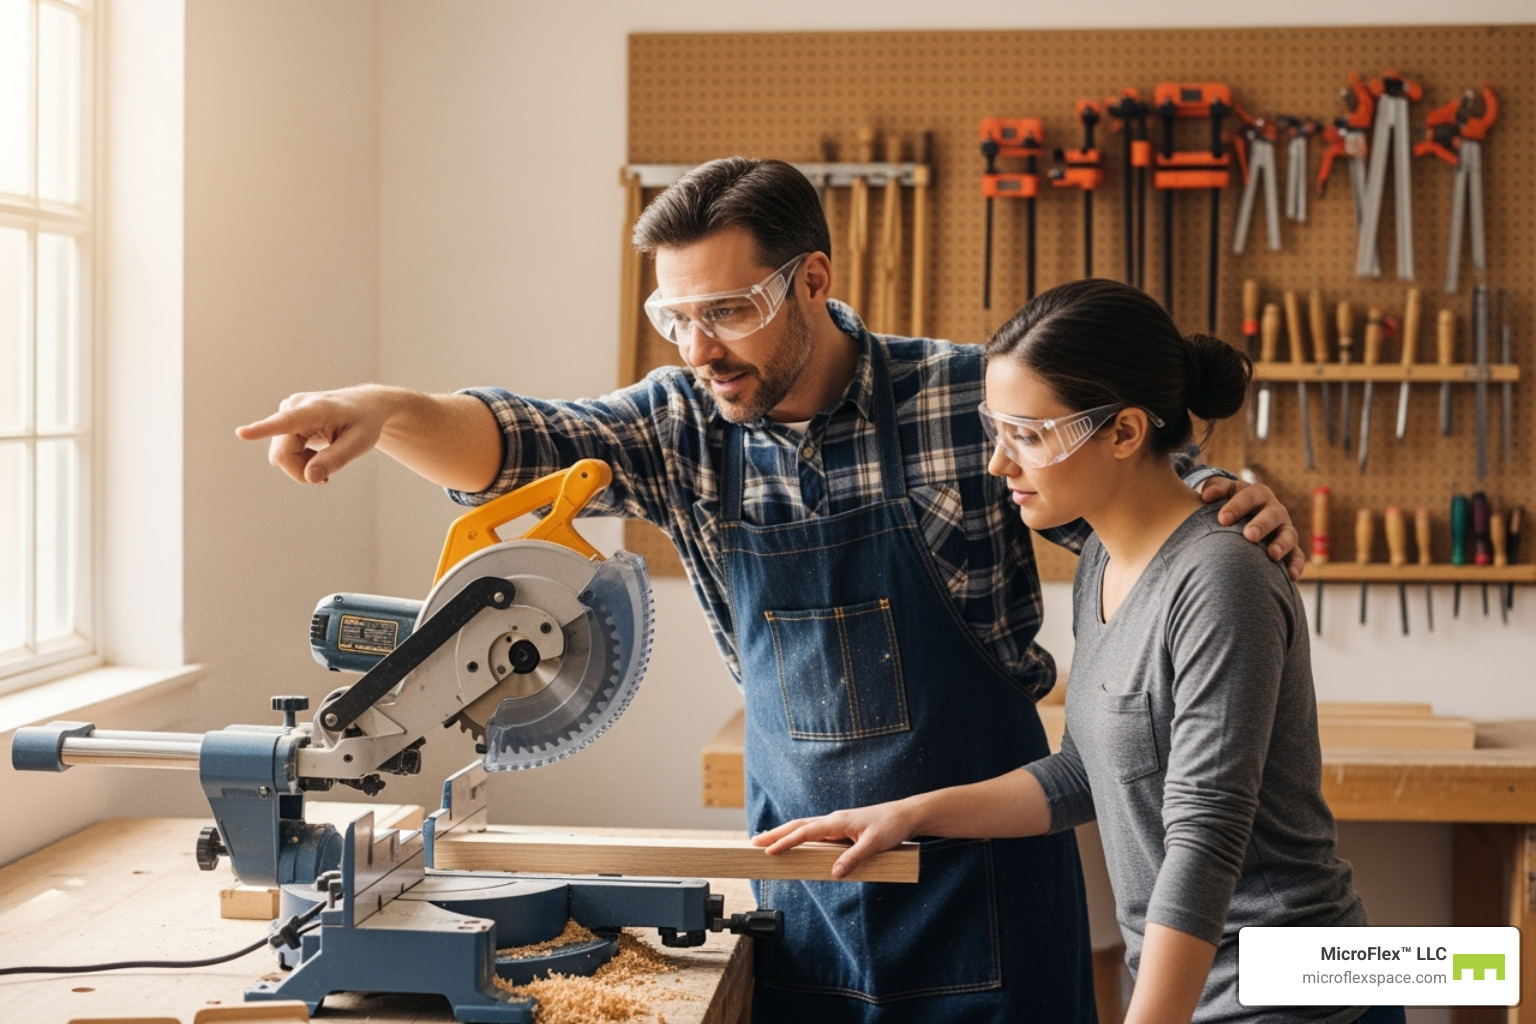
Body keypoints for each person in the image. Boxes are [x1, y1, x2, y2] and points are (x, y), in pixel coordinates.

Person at [237, 158, 1307, 1023]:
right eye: (677, 320)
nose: (702, 349)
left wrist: (1224, 492)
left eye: (731, 312)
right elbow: (516, 439)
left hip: (991, 890)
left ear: (812, 281)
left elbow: (1119, 486)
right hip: (808, 883)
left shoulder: (959, 402)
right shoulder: (680, 425)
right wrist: (383, 409)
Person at [753, 278, 1405, 1024]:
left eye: (1028, 436)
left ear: (1125, 432)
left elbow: (1204, 834)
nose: (1000, 464)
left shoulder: (1221, 578)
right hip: (1199, 995)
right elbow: (1085, 773)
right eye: (994, 430)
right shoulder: (1102, 555)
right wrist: (905, 815)